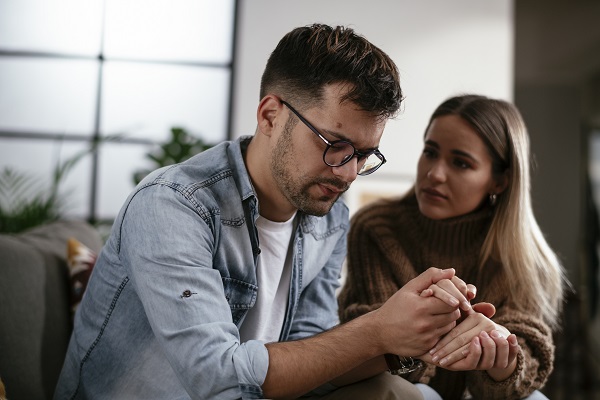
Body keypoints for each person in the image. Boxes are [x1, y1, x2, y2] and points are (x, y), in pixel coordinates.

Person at [54, 24, 480, 400]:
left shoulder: (326, 216)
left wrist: (409, 339)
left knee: (407, 391)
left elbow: (314, 359)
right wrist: (377, 329)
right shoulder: (173, 205)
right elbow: (217, 379)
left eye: (364, 154)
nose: (349, 173)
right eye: (335, 145)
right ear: (270, 115)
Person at [338, 94, 568, 400]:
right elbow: (374, 349)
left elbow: (519, 373)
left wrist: (501, 357)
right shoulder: (377, 228)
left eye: (460, 163)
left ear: (499, 181)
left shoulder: (523, 259)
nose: (435, 173)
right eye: (430, 152)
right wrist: (439, 327)